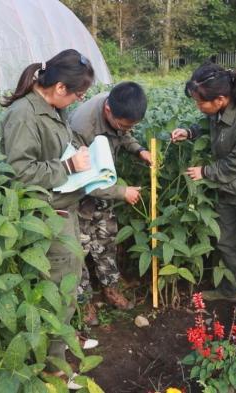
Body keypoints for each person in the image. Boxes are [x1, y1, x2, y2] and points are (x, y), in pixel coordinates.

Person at [0, 49, 93, 381]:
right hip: (47, 216)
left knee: (65, 286)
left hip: (62, 208)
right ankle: (52, 368)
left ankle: (58, 352)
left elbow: (52, 150)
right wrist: (68, 166)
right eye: (79, 94)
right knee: (57, 289)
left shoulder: (51, 109)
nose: (80, 100)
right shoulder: (24, 115)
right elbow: (19, 171)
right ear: (59, 88)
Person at [170, 63, 236, 302]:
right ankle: (228, 292)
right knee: (227, 245)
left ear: (220, 99)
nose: (198, 106)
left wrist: (205, 172)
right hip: (228, 191)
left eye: (201, 102)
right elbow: (213, 131)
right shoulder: (217, 112)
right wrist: (190, 132)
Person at [68, 82, 150, 325]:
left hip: (105, 181)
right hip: (79, 190)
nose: (127, 129)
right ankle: (83, 303)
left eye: (131, 126)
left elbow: (123, 135)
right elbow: (84, 179)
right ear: (108, 112)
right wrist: (122, 192)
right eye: (124, 125)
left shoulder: (119, 105)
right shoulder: (82, 128)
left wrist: (139, 151)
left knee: (106, 235)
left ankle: (110, 288)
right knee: (79, 247)